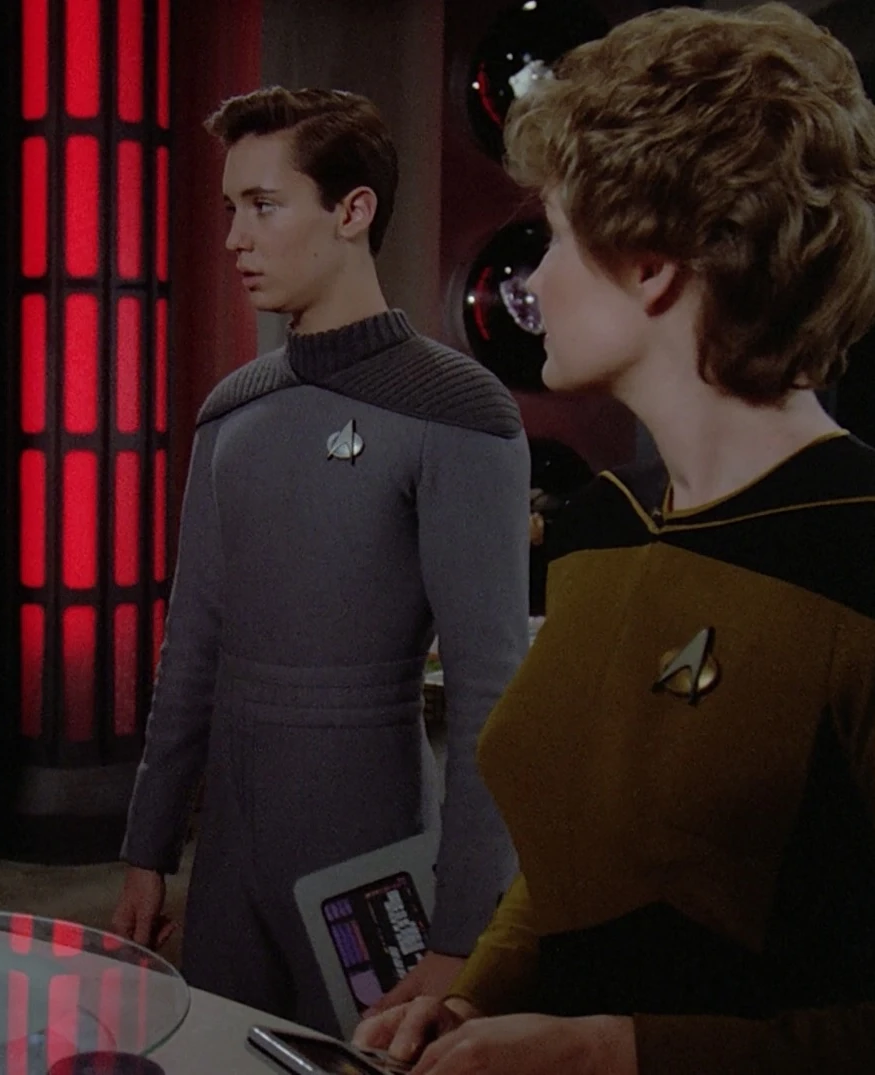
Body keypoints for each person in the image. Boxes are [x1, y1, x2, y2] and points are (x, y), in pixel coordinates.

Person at [353, 5, 875, 1073]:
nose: (529, 281)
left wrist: (607, 1049)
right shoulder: (599, 528)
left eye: (552, 234)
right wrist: (474, 995)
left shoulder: (854, 554)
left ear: (652, 268)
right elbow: (572, 863)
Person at [112, 86, 528, 1034]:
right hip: (229, 860)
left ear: (352, 210)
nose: (235, 238)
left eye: (264, 205)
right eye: (232, 208)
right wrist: (146, 848)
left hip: (369, 852)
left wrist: (462, 930)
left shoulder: (458, 412)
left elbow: (490, 692)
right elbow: (191, 648)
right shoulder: (233, 412)